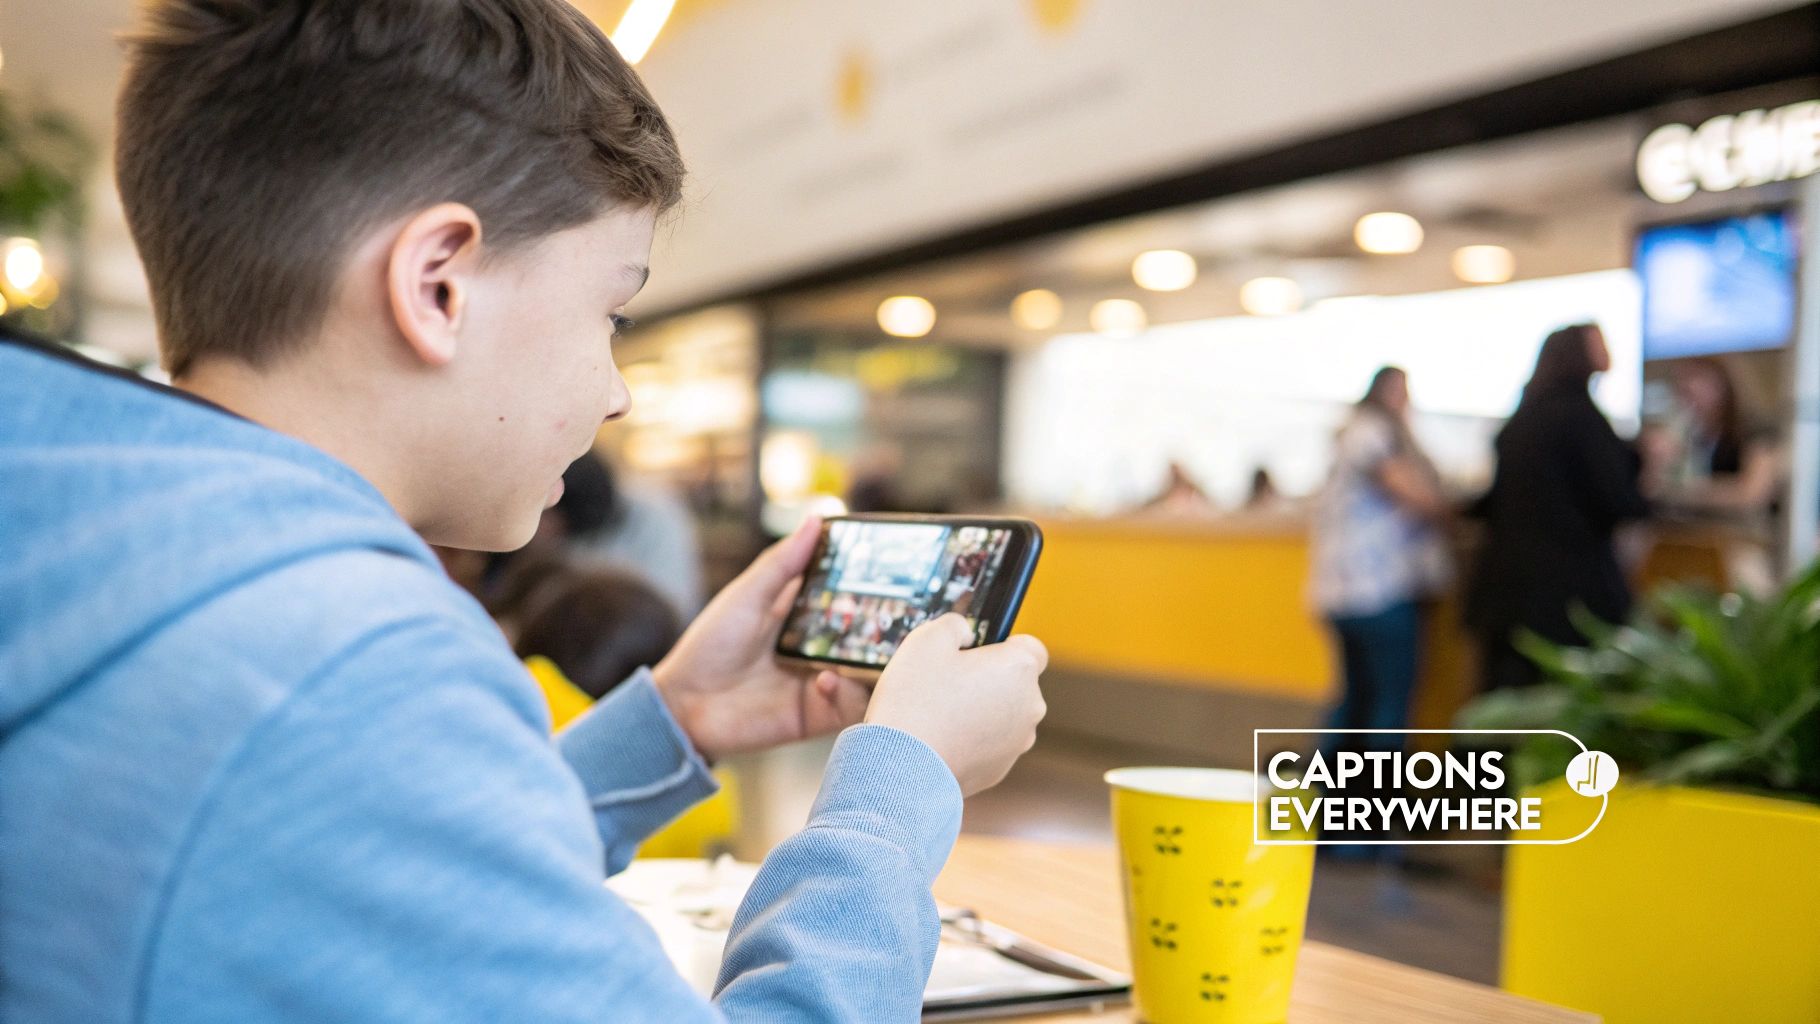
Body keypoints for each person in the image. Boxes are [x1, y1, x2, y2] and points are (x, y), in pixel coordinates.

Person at [0, 3, 1048, 1022]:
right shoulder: (349, 665)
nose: (616, 389)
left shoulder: (113, 552)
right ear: (437, 284)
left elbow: (357, 872)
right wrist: (896, 789)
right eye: (612, 310)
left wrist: (674, 722)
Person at [1307, 367, 1451, 859]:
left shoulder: (1348, 434)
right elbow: (1414, 496)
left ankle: (1324, 822)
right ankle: (1366, 833)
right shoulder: (1372, 433)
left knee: (1350, 706)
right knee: (1386, 709)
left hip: (1339, 594)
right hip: (1378, 590)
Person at [1465, 323, 1650, 690]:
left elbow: (1491, 501)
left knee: (1498, 705)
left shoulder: (1523, 418)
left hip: (1504, 587)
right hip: (1566, 598)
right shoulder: (1582, 418)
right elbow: (1619, 501)